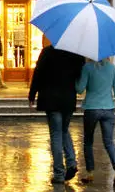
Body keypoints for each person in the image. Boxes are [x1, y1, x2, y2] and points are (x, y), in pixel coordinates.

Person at [28, 36, 86, 184]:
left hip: (51, 99)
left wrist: (32, 94)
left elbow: (38, 73)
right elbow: (80, 75)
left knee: (56, 134)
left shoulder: (47, 52)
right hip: (68, 99)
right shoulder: (76, 55)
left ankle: (59, 173)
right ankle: (71, 162)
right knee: (64, 130)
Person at [75, 58, 115, 187]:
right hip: (108, 109)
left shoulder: (88, 67)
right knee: (108, 142)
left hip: (91, 109)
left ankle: (90, 172)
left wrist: (76, 79)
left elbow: (80, 89)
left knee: (88, 142)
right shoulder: (112, 68)